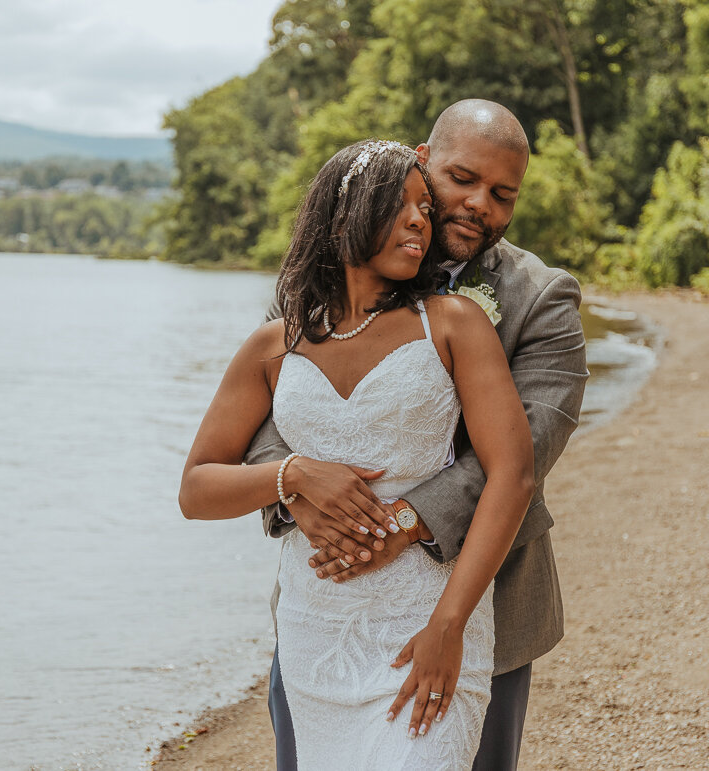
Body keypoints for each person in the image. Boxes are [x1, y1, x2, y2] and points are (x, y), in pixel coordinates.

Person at [249, 100, 589, 770]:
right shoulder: (319, 280)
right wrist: (302, 496)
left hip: (480, 603)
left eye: (502, 194)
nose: (477, 205)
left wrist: (399, 522)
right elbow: (267, 418)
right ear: (422, 161)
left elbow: (524, 453)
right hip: (330, 605)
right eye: (462, 178)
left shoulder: (541, 299)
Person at [180, 138, 536, 768]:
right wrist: (295, 475)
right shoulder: (276, 342)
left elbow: (513, 474)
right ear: (346, 214)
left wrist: (448, 627)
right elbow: (197, 490)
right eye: (402, 205)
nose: (421, 220)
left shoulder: (453, 324)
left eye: (425, 207)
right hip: (316, 629)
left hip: (426, 626)